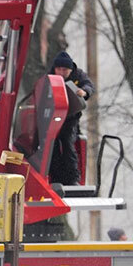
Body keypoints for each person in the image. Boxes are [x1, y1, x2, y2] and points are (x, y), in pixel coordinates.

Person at [49, 51, 94, 186]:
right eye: (59, 69)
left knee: (68, 144)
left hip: (70, 119)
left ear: (70, 69)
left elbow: (88, 86)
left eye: (65, 70)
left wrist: (84, 92)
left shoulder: (78, 75)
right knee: (52, 146)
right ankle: (55, 177)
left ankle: (73, 178)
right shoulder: (49, 77)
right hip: (52, 119)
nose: (61, 73)